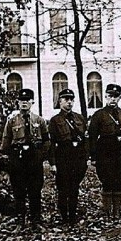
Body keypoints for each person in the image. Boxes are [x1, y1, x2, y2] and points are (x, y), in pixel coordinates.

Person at [0, 88, 51, 228]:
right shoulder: (12, 121)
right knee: (19, 190)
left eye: (27, 100)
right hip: (18, 158)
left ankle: (36, 220)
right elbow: (6, 141)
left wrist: (41, 155)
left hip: (34, 157)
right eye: (22, 101)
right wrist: (10, 157)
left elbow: (46, 140)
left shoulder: (39, 121)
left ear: (32, 102)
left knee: (35, 190)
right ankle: (20, 220)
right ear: (18, 102)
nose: (24, 103)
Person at [88, 83, 121, 218]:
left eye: (116, 96)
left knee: (118, 181)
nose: (112, 99)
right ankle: (107, 211)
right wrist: (93, 156)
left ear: (119, 98)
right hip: (105, 153)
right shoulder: (99, 115)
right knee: (107, 181)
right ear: (105, 97)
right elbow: (92, 137)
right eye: (110, 96)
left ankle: (117, 211)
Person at [48, 88, 88, 225]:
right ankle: (64, 216)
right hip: (63, 157)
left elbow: (84, 140)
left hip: (77, 157)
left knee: (74, 188)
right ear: (60, 102)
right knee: (63, 188)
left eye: (71, 99)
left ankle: (72, 216)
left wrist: (85, 159)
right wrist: (53, 163)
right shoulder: (55, 120)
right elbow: (52, 143)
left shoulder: (79, 118)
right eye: (66, 100)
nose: (69, 102)